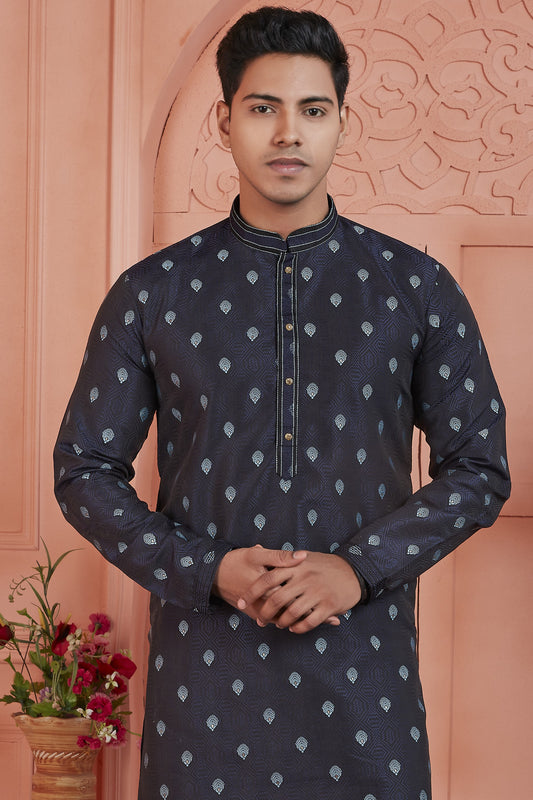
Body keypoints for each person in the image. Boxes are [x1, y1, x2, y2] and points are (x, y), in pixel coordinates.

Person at [54, 7, 510, 799]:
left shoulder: (414, 287)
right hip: (204, 678)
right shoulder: (153, 293)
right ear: (224, 120)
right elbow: (83, 470)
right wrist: (207, 569)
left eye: (313, 110)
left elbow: (478, 467)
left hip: (365, 676)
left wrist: (358, 569)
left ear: (343, 123)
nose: (288, 134)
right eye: (263, 108)